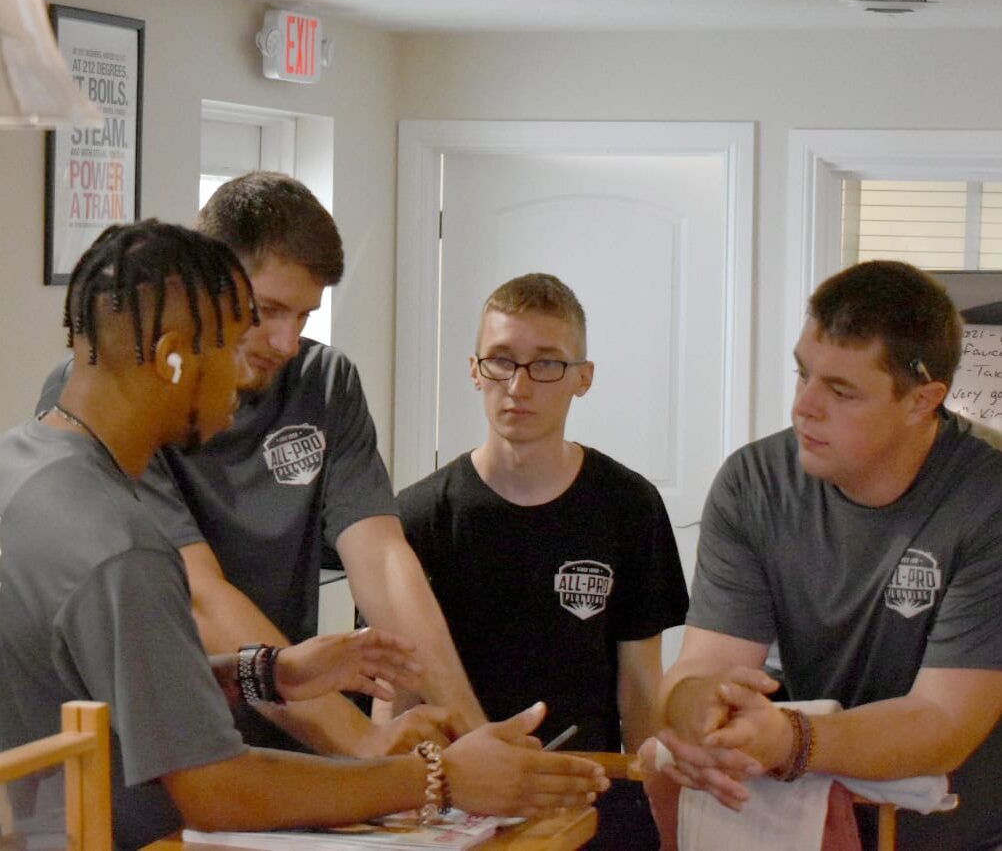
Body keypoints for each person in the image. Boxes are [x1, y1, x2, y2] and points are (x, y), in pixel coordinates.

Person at [0, 221, 608, 851]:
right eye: (234, 343)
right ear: (172, 358)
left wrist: (268, 672)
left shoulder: (25, 462)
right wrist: (440, 777)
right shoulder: (125, 548)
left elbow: (112, 680)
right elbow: (216, 788)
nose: (252, 371)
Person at [39, 172, 485, 757]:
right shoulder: (111, 399)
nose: (286, 342)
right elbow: (197, 594)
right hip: (155, 745)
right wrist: (361, 743)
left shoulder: (324, 382)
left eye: (303, 316)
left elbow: (381, 560)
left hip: (290, 734)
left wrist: (471, 732)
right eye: (268, 310)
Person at [656, 260, 1002, 850]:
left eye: (841, 391)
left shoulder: (987, 500)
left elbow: (944, 722)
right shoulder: (753, 483)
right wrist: (698, 712)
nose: (804, 407)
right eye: (802, 374)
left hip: (956, 832)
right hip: (803, 823)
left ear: (923, 400)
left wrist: (790, 739)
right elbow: (702, 666)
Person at [396, 273, 689, 848]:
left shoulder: (629, 506)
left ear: (583, 377)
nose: (519, 385)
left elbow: (640, 687)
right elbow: (397, 699)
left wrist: (662, 819)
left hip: (590, 797)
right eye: (501, 361)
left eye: (547, 363)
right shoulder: (417, 516)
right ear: (474, 370)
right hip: (455, 809)